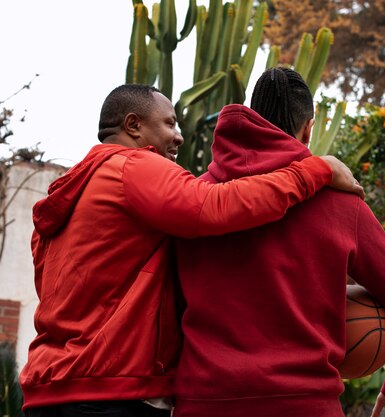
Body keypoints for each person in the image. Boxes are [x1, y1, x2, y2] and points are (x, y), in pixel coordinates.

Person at [19, 84, 364, 417]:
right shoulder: (133, 166)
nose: (179, 135)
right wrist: (315, 170)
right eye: (169, 123)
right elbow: (214, 205)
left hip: (47, 390)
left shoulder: (65, 196)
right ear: (134, 126)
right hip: (109, 393)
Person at [174, 67, 385, 417]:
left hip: (204, 403)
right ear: (308, 128)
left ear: (252, 117)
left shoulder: (193, 200)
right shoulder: (342, 204)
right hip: (306, 404)